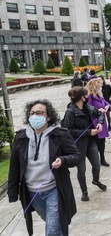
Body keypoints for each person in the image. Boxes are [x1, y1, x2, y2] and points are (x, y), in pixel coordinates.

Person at [7, 99, 81, 236]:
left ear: (48, 116)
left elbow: (76, 156)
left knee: (52, 228)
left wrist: (63, 160)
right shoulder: (21, 137)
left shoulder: (60, 134)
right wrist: (12, 192)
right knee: (51, 221)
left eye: (39, 113)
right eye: (32, 113)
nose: (35, 116)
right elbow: (14, 167)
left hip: (54, 189)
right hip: (32, 192)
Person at [62, 87, 107, 201]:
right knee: (81, 169)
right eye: (86, 95)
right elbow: (68, 131)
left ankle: (96, 180)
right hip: (78, 145)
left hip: (91, 142)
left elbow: (100, 113)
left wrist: (100, 123)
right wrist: (88, 132)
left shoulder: (87, 107)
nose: (88, 97)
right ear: (82, 97)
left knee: (96, 164)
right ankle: (84, 191)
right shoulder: (70, 112)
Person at [85, 78, 111, 166]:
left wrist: (107, 106)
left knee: (102, 142)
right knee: (96, 143)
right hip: (94, 122)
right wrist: (98, 110)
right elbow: (88, 108)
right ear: (95, 85)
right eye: (100, 84)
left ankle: (102, 158)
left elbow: (107, 103)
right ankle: (96, 160)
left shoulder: (99, 96)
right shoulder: (90, 97)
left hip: (102, 121)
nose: (101, 86)